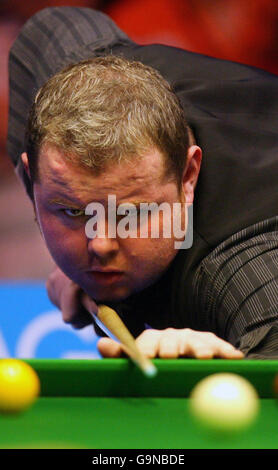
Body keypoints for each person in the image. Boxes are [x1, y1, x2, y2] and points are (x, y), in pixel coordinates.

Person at [7, 7, 278, 359]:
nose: (100, 245)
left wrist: (221, 365)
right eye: (72, 210)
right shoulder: (67, 67)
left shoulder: (240, 262)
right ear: (33, 175)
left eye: (131, 215)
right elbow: (50, 28)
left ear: (187, 177)